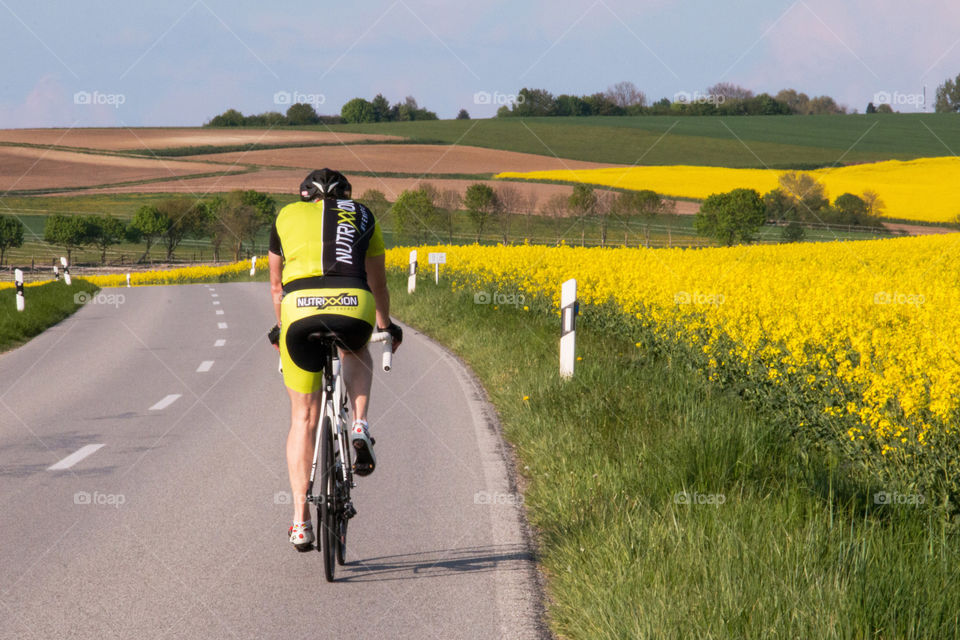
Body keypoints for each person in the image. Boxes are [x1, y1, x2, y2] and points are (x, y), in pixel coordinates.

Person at [267, 168, 402, 550]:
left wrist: (280, 330)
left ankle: (299, 521)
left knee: (302, 418)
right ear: (346, 195)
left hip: (298, 310)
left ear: (304, 196)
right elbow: (378, 284)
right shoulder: (362, 214)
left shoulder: (285, 216)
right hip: (353, 305)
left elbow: (276, 285)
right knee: (356, 348)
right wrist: (386, 326)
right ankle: (359, 424)